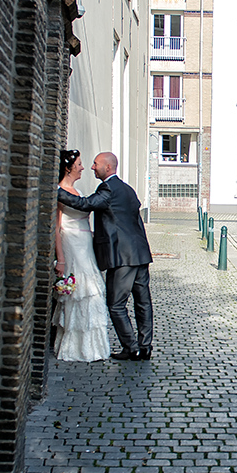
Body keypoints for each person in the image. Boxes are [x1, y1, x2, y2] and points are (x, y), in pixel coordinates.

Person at [57, 152, 154, 361]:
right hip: (140, 253)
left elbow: (85, 204)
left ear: (108, 168)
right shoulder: (128, 189)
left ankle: (131, 347)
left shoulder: (108, 188)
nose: (92, 167)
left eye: (95, 164)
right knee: (143, 301)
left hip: (122, 256)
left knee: (116, 304)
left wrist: (56, 191)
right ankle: (145, 346)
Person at [53, 150, 111, 362]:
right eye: (79, 164)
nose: (83, 168)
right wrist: (61, 258)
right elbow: (56, 228)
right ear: (69, 168)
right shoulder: (60, 191)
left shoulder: (76, 191)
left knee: (93, 291)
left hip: (86, 244)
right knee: (80, 292)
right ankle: (75, 347)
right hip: (72, 245)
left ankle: (93, 346)